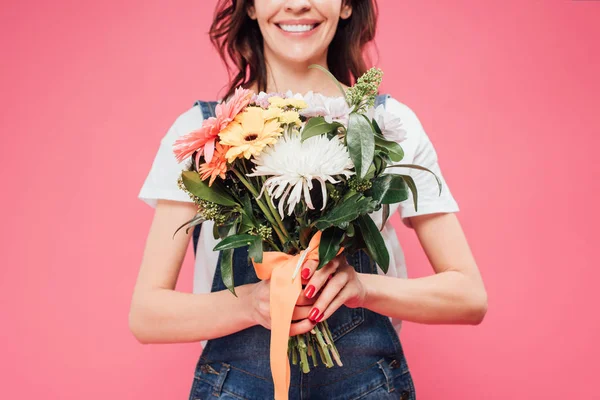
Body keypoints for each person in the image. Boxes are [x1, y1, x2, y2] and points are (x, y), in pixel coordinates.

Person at [130, 1, 488, 399]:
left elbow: (468, 297)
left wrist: (362, 287)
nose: (298, 3)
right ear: (250, 7)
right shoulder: (202, 133)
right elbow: (147, 315)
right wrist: (253, 304)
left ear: (347, 5)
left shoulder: (387, 126)